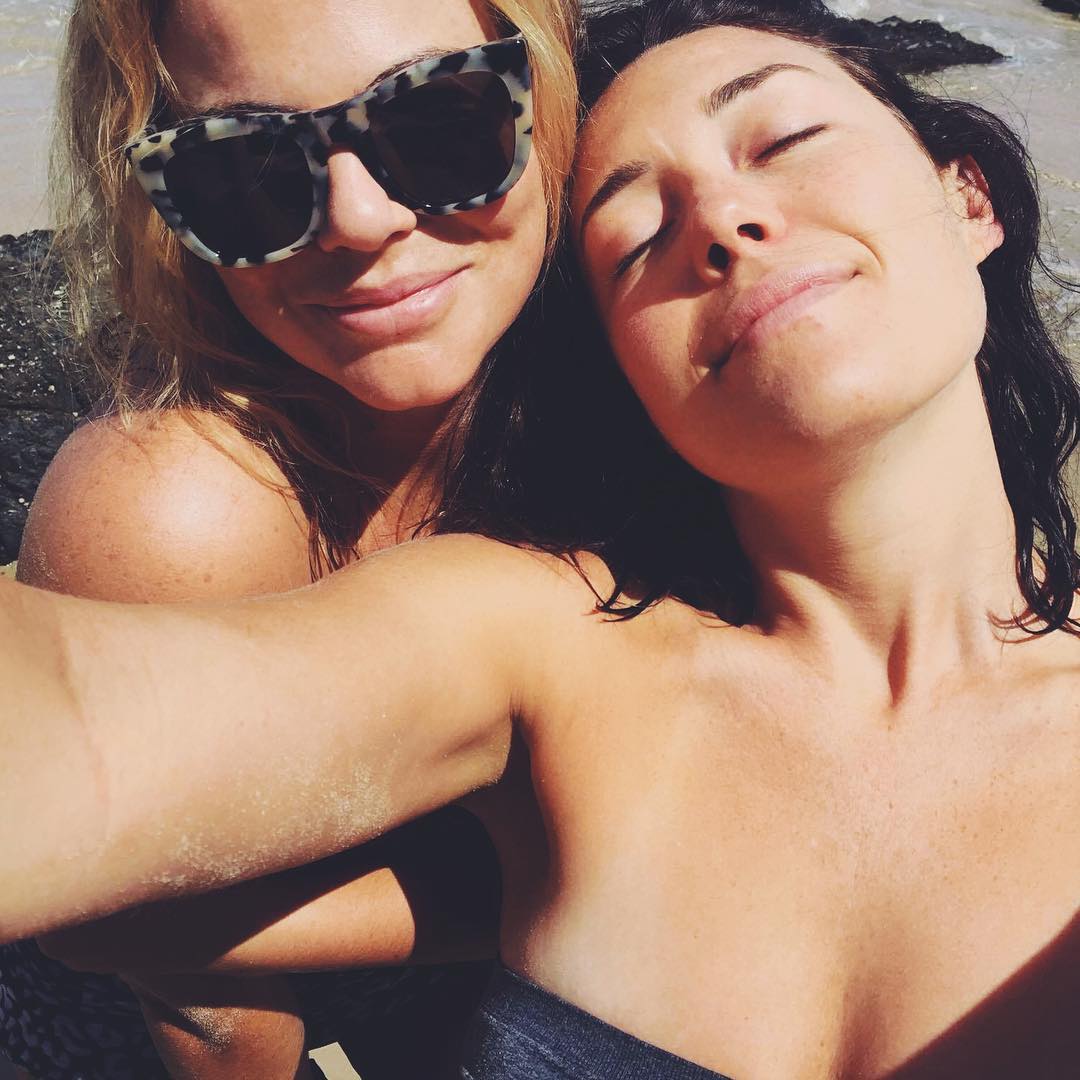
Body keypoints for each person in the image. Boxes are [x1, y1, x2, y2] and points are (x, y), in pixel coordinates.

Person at [3, 0, 1079, 1076]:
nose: (723, 221)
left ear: (968, 193)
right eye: (636, 234)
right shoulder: (535, 629)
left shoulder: (586, 501)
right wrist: (538, 873)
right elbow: (82, 757)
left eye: (439, 118)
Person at [0, 0, 577, 1076]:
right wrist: (548, 897)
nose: (358, 219)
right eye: (246, 166)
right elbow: (188, 991)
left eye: (439, 118)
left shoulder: (623, 380)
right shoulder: (176, 515)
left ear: (546, 95)